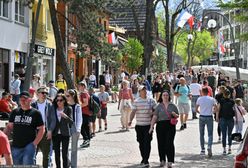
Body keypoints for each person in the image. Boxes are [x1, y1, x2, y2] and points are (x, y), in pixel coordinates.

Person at [4, 91, 45, 165]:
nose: (22, 101)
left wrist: (34, 143)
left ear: (30, 100)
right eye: (21, 99)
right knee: (17, 165)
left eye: (25, 99)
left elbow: (42, 129)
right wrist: (3, 137)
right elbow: (9, 127)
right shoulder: (15, 112)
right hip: (16, 145)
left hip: (29, 145)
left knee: (28, 165)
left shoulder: (36, 113)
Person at [129, 85, 156, 167]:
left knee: (147, 143)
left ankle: (146, 160)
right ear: (139, 92)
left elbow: (156, 111)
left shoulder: (151, 101)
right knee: (141, 142)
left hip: (148, 125)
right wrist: (130, 120)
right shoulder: (136, 101)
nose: (144, 91)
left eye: (145, 90)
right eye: (142, 90)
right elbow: (133, 112)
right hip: (139, 125)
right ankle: (143, 158)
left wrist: (153, 114)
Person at [149, 91, 179, 168]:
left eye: (167, 95)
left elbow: (177, 115)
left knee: (169, 142)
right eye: (164, 95)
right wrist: (151, 127)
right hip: (160, 125)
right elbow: (155, 117)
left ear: (169, 96)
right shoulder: (158, 106)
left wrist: (175, 115)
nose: (165, 96)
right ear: (161, 96)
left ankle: (170, 161)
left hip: (170, 125)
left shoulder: (173, 105)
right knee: (161, 143)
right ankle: (162, 160)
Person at [31, 86, 56, 168]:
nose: (44, 94)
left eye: (46, 93)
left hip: (46, 132)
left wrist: (50, 131)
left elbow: (53, 119)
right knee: (32, 155)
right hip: (34, 133)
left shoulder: (50, 105)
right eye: (42, 92)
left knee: (46, 156)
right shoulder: (33, 105)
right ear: (37, 94)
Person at [52, 94, 73, 168]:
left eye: (60, 100)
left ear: (64, 101)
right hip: (55, 134)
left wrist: (66, 116)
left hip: (65, 134)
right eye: (57, 100)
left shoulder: (68, 108)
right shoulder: (53, 109)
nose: (59, 102)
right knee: (57, 154)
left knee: (64, 154)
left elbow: (71, 122)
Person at [196, 87, 217, 157]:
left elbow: (196, 109)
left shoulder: (199, 99)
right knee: (210, 134)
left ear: (202, 92)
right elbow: (216, 108)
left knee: (201, 134)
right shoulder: (212, 99)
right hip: (209, 116)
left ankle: (202, 149)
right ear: (208, 92)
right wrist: (213, 112)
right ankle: (209, 146)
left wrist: (200, 112)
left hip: (202, 116)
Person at [66, 89, 83, 168]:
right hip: (65, 128)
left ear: (73, 96)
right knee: (65, 148)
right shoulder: (65, 105)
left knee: (73, 149)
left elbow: (79, 119)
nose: (66, 97)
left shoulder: (77, 106)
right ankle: (67, 162)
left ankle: (73, 165)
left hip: (74, 127)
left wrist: (78, 129)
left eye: (68, 96)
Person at [216, 89, 236, 155]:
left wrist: (217, 117)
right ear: (229, 95)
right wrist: (236, 118)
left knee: (224, 135)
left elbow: (218, 109)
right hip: (230, 119)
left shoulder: (221, 101)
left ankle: (224, 149)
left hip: (223, 119)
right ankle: (229, 148)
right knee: (230, 134)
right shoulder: (232, 101)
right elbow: (235, 110)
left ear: (224, 94)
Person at [78, 82, 91, 148]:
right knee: (86, 127)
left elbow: (85, 103)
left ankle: (86, 139)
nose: (78, 87)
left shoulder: (84, 94)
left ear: (83, 86)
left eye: (79, 86)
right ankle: (87, 140)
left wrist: (78, 106)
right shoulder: (85, 93)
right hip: (86, 112)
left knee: (81, 127)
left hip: (84, 112)